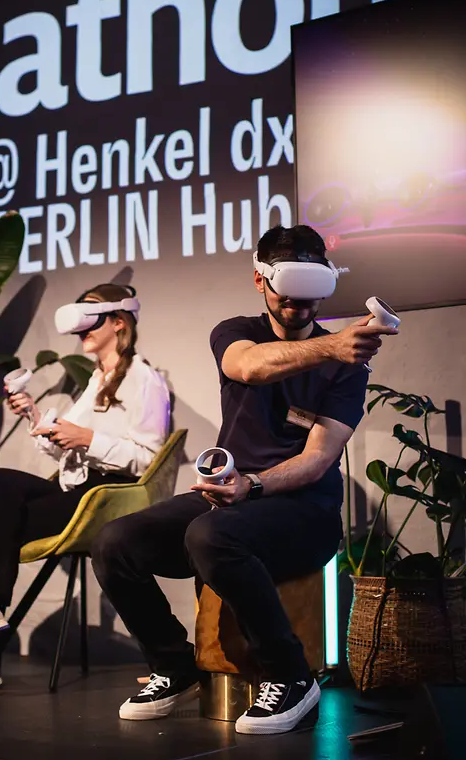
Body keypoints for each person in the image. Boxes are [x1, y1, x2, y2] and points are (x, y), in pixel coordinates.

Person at [91, 225, 398, 734]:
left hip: (304, 512)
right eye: (288, 294)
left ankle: (292, 678)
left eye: (310, 297)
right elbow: (249, 367)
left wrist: (252, 486)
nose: (299, 307)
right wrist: (332, 346)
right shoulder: (237, 331)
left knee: (210, 533)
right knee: (116, 542)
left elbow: (319, 458)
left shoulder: (347, 364)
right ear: (260, 280)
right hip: (232, 498)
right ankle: (172, 663)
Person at [0, 283, 170, 690]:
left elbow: (148, 459)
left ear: (118, 322)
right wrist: (38, 418)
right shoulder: (95, 381)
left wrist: (87, 439)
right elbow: (66, 452)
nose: (82, 332)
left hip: (108, 499)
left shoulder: (145, 380)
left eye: (91, 321)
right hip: (78, 491)